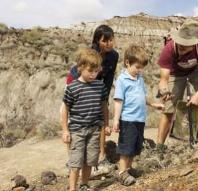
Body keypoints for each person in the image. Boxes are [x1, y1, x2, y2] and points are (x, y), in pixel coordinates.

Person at [157, 20, 198, 151]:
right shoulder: (169, 48)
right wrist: (164, 90)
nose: (181, 46)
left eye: (185, 46)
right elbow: (163, 79)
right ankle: (159, 148)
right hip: (175, 73)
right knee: (168, 107)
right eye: (179, 43)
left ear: (195, 43)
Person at [66, 24, 119, 166]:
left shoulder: (114, 56)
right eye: (105, 41)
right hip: (77, 80)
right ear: (97, 41)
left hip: (97, 84)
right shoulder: (90, 54)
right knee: (75, 119)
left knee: (100, 117)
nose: (109, 43)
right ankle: (72, 159)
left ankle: (101, 157)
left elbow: (108, 78)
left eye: (111, 40)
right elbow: (81, 74)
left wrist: (104, 98)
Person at [112, 45, 164, 186]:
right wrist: (116, 119)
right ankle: (122, 173)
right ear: (127, 62)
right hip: (128, 119)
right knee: (126, 148)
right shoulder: (122, 80)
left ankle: (129, 168)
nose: (140, 70)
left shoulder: (139, 78)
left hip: (139, 119)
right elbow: (118, 101)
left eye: (142, 68)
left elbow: (143, 96)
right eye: (137, 67)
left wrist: (154, 104)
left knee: (135, 147)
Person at [61, 48, 111, 191]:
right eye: (90, 71)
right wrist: (65, 130)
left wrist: (106, 124)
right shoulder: (72, 88)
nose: (93, 74)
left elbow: (104, 107)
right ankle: (72, 188)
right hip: (76, 131)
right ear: (80, 68)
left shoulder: (100, 86)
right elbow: (65, 110)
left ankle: (84, 185)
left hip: (94, 130)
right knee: (75, 163)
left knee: (89, 161)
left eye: (96, 71)